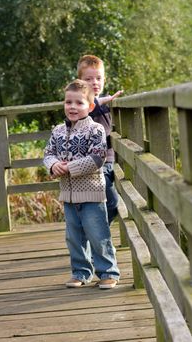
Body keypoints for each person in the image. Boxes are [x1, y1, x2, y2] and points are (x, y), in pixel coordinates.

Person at [43, 79, 120, 289]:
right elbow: (48, 153)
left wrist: (70, 167)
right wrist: (54, 165)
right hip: (68, 196)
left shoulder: (95, 130)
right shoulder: (57, 131)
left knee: (98, 235)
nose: (73, 107)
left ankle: (108, 272)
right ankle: (81, 272)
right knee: (74, 237)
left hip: (92, 194)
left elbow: (97, 158)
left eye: (79, 103)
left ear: (91, 106)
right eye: (69, 102)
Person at [77, 55, 123, 225]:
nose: (94, 82)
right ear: (80, 82)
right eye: (88, 79)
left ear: (104, 79)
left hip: (109, 160)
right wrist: (100, 101)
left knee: (110, 203)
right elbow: (84, 109)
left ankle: (96, 232)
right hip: (93, 163)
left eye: (98, 78)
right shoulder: (79, 104)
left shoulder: (108, 103)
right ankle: (95, 232)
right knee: (111, 202)